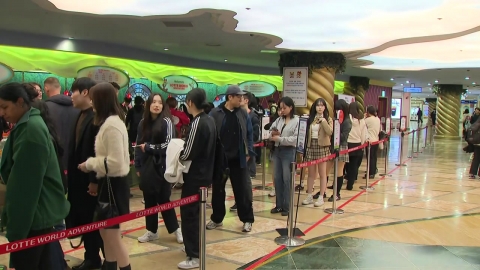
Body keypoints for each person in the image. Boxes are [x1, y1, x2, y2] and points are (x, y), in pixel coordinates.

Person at [0, 83, 70, 270]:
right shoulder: (27, 124)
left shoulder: (31, 129)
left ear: (20, 101)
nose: (2, 113)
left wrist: (16, 229)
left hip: (33, 217)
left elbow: (25, 186)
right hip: (37, 215)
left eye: (5, 107)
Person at [78, 82, 131, 270]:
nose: (91, 103)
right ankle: (110, 266)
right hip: (109, 184)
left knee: (112, 236)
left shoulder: (112, 126)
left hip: (114, 185)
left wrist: (90, 164)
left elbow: (115, 162)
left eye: (93, 99)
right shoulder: (111, 123)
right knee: (106, 233)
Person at [66, 78, 106, 270]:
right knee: (84, 218)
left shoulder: (96, 118)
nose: (70, 96)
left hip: (89, 181)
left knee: (93, 220)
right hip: (77, 179)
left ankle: (98, 258)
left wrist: (94, 180)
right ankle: (91, 257)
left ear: (84, 92)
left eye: (72, 92)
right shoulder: (79, 115)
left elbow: (98, 152)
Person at [135, 94, 183, 244]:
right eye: (154, 102)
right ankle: (151, 230)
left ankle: (176, 229)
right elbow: (138, 144)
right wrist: (138, 165)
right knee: (149, 199)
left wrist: (149, 147)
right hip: (147, 167)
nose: (156, 105)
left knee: (163, 199)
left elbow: (168, 144)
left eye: (159, 102)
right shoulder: (143, 122)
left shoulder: (166, 122)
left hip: (162, 166)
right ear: (148, 104)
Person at [177, 88, 216, 269]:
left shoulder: (197, 122)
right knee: (197, 214)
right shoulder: (210, 121)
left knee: (189, 215)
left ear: (190, 102)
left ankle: (193, 254)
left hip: (195, 175)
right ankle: (196, 248)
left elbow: (188, 153)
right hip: (206, 174)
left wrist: (177, 154)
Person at [208, 85, 255, 232]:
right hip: (220, 160)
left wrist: (249, 152)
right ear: (230, 97)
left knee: (242, 191)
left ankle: (247, 219)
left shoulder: (242, 113)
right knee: (218, 191)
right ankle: (217, 218)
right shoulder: (215, 113)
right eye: (238, 97)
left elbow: (249, 133)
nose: (242, 99)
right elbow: (210, 134)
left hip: (238, 158)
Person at [269, 97, 299, 216]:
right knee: (277, 178)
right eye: (280, 108)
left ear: (291, 107)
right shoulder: (278, 120)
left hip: (288, 151)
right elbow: (270, 131)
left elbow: (295, 139)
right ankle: (279, 205)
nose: (282, 110)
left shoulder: (296, 121)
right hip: (277, 151)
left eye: (284, 108)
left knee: (287, 179)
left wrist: (280, 139)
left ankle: (287, 206)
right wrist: (273, 134)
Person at [44, 77, 80, 172]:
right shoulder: (77, 107)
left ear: (46, 89)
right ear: (59, 88)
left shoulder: (45, 108)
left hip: (53, 157)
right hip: (75, 157)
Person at [302, 98, 332, 207]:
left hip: (322, 147)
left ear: (324, 107)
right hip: (311, 146)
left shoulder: (328, 119)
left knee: (322, 173)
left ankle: (321, 196)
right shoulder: (311, 119)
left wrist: (323, 121)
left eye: (322, 105)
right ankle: (309, 195)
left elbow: (330, 132)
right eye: (318, 105)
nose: (320, 107)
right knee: (311, 174)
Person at [326, 99, 352, 201]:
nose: (337, 111)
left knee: (339, 171)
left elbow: (343, 137)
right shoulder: (335, 120)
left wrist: (335, 130)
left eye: (339, 109)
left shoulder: (347, 122)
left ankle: (337, 193)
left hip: (342, 147)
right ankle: (323, 191)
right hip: (332, 146)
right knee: (326, 170)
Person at [345, 102, 366, 190]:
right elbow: (363, 134)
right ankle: (350, 184)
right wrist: (362, 144)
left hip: (347, 144)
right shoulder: (361, 120)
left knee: (346, 164)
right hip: (357, 144)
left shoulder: (347, 118)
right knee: (354, 165)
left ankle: (346, 177)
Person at [364, 105, 381, 179]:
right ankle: (373, 171)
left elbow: (362, 123)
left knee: (370, 157)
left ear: (368, 112)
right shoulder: (378, 119)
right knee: (374, 157)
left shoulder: (368, 120)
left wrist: (364, 117)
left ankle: (370, 173)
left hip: (370, 141)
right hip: (376, 140)